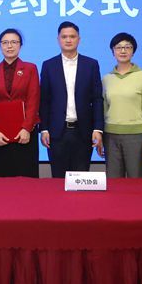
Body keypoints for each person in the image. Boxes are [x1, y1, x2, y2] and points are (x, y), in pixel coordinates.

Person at [39, 21, 104, 178]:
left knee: (81, 176)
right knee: (58, 177)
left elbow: (97, 98)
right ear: (58, 39)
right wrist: (44, 129)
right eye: (64, 37)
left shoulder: (91, 64)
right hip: (56, 132)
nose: (68, 40)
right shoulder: (48, 65)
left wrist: (97, 128)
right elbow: (44, 100)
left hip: (83, 131)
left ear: (79, 39)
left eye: (72, 36)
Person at [0, 28, 40, 178]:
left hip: (25, 134)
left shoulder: (30, 68)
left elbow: (33, 99)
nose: (9, 46)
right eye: (5, 42)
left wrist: (27, 128)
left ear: (20, 45)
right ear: (0, 45)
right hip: (0, 135)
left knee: (26, 179)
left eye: (14, 42)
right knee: (1, 180)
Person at [102, 32, 142, 178]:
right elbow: (104, 109)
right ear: (113, 51)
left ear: (133, 51)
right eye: (118, 47)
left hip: (136, 137)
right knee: (113, 181)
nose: (123, 51)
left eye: (127, 47)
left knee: (136, 180)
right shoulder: (106, 79)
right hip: (110, 137)